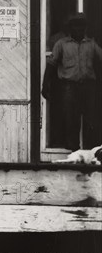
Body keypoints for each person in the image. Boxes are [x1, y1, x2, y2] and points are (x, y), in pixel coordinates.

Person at [43, 14, 102, 151]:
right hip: (69, 87)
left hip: (88, 87)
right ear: (70, 28)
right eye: (75, 25)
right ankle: (74, 150)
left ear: (85, 27)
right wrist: (45, 84)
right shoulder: (61, 44)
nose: (78, 29)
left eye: (81, 25)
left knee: (90, 119)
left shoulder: (91, 44)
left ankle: (90, 151)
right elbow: (51, 64)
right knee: (71, 119)